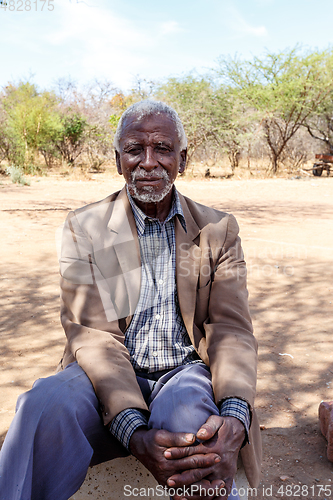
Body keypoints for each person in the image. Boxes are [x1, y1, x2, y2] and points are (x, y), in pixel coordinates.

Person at [0, 100, 261, 500]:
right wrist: (133, 430)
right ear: (117, 158)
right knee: (41, 405)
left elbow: (231, 328)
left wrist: (236, 417)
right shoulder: (84, 227)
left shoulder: (218, 229)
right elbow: (93, 337)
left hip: (182, 370)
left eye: (163, 148)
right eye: (135, 149)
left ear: (183, 159)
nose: (149, 162)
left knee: (196, 434)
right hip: (100, 373)